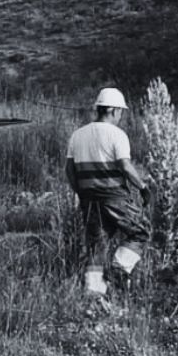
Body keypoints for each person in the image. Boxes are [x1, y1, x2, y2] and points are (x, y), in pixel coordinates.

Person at [67, 86, 150, 296]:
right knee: (141, 231)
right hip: (114, 198)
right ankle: (120, 268)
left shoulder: (77, 135)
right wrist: (143, 187)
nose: (121, 115)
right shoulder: (117, 134)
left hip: (89, 199)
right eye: (120, 111)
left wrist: (81, 192)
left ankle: (94, 293)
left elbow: (69, 170)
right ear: (113, 110)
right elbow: (125, 166)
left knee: (96, 246)